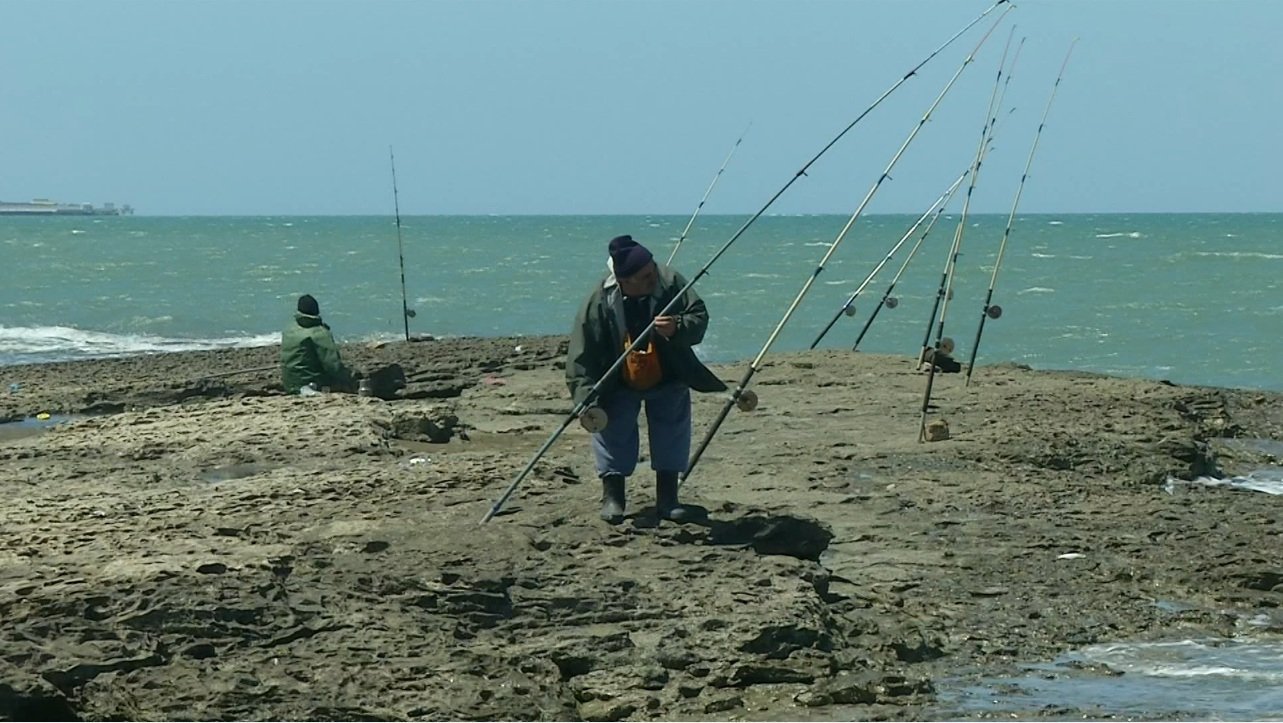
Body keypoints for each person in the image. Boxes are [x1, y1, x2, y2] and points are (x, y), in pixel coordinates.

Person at [566, 235, 727, 524]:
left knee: (672, 432)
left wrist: (677, 327)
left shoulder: (670, 281)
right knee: (612, 432)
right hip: (619, 379)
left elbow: (698, 317)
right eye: (645, 276)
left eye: (653, 270)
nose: (653, 277)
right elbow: (582, 355)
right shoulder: (599, 301)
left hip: (669, 374)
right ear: (625, 281)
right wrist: (586, 400)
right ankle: (613, 499)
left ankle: (668, 501)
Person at [280, 294, 356, 394]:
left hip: (290, 384)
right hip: (311, 385)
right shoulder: (320, 333)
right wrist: (351, 376)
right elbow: (333, 366)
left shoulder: (289, 329)